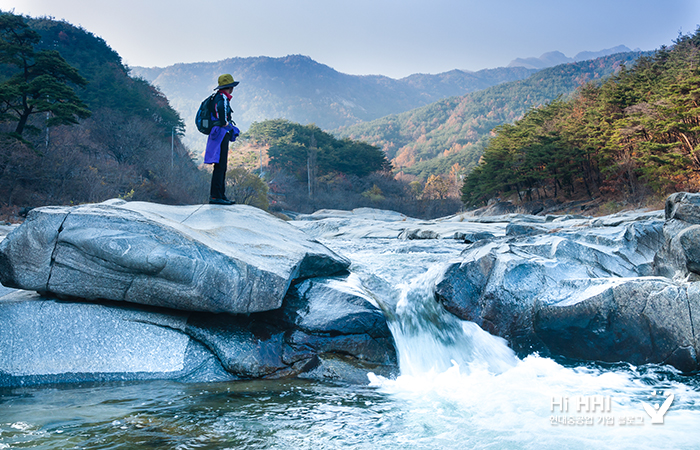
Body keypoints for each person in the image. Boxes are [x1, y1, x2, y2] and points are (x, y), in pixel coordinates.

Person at [204, 74, 240, 205]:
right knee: (221, 165)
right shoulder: (223, 98)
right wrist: (224, 122)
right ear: (229, 87)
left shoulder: (216, 96)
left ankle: (220, 195)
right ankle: (216, 196)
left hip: (216, 133)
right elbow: (220, 109)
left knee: (220, 165)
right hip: (221, 133)